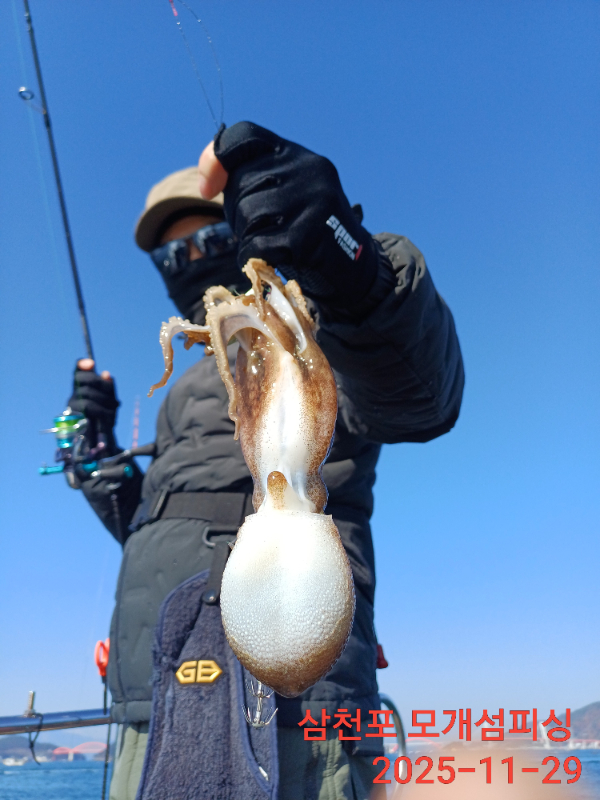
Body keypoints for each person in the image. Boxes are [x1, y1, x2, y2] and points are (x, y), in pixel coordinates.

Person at [67, 122, 464, 800]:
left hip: (299, 686)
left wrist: (355, 268)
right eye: (172, 254)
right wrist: (97, 456)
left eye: (209, 238)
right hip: (151, 691)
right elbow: (162, 522)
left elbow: (421, 396)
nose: (192, 260)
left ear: (245, 229)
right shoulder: (182, 390)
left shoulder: (318, 336)